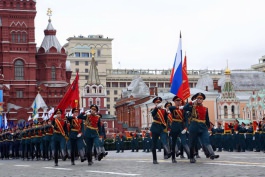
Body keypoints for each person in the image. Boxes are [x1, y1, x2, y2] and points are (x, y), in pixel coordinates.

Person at [183, 92, 219, 163]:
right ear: (196, 99)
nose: (199, 100)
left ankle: (212, 154)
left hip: (203, 126)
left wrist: (209, 127)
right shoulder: (192, 107)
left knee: (206, 140)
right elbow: (185, 108)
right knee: (192, 142)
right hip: (194, 126)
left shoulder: (205, 108)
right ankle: (192, 157)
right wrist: (191, 102)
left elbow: (207, 119)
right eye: (198, 98)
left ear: (203, 100)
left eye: (201, 99)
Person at [168, 96, 190, 163]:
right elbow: (170, 108)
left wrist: (186, 128)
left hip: (181, 127)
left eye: (179, 101)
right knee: (174, 143)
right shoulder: (173, 108)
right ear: (174, 102)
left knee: (184, 142)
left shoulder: (183, 110)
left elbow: (186, 120)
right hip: (174, 126)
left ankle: (190, 155)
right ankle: (173, 158)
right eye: (177, 101)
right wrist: (179, 107)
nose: (178, 102)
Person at [150, 96, 171, 164]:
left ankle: (168, 152)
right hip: (155, 128)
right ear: (155, 103)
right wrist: (156, 108)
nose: (158, 103)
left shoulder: (164, 110)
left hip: (162, 127)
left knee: (164, 141)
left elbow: (165, 120)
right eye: (157, 102)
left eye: (159, 102)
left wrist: (166, 127)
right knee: (154, 144)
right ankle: (154, 159)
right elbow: (153, 114)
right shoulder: (153, 109)